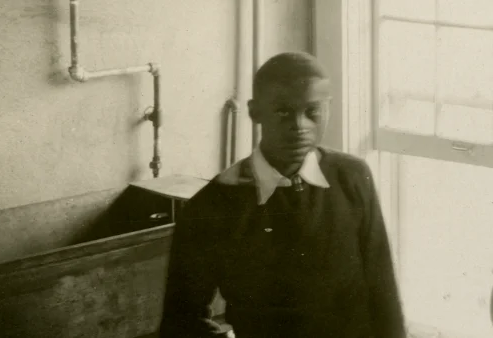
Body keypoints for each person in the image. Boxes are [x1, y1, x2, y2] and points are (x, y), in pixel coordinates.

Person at [159, 52, 405, 338]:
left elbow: (383, 293)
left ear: (329, 109)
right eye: (282, 111)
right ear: (255, 112)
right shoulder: (212, 206)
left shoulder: (352, 177)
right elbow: (181, 322)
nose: (299, 126)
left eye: (312, 112)